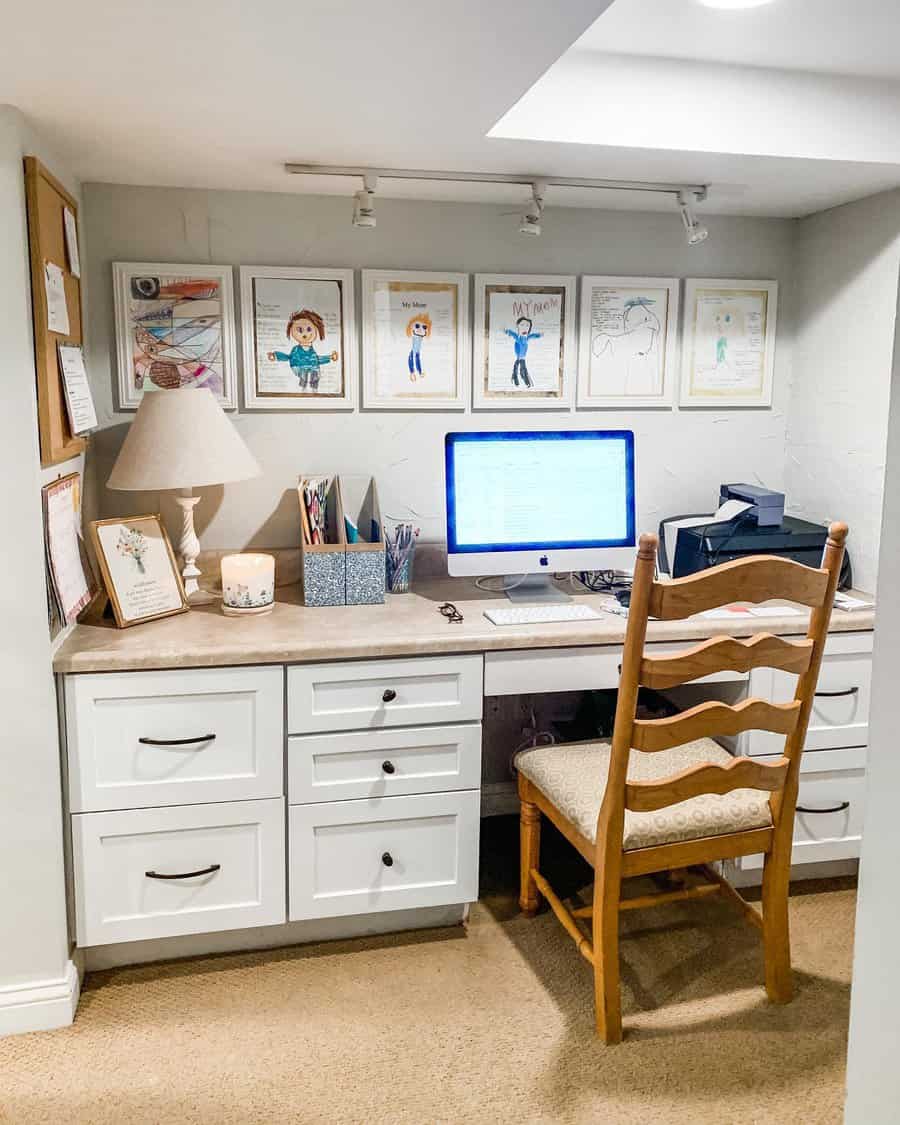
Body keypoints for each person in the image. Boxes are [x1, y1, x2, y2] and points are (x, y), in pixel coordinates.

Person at [268, 309, 338, 390]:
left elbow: (317, 360)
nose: (305, 334)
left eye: (309, 329)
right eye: (300, 330)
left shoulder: (312, 352)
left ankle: (314, 389)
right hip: (298, 367)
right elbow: (288, 357)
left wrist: (330, 357)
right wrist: (275, 355)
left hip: (312, 368)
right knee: (304, 372)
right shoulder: (296, 350)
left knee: (315, 373)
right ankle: (303, 387)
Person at [505, 316, 542, 387]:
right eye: (522, 325)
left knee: (522, 369)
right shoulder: (518, 338)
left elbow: (533, 335)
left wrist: (539, 335)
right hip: (519, 357)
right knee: (518, 368)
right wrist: (507, 331)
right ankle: (517, 379)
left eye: (527, 326)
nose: (525, 328)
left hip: (522, 358)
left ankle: (525, 381)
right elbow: (512, 334)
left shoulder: (527, 338)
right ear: (517, 326)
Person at [406, 312, 432, 381]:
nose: (420, 329)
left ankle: (419, 372)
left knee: (417, 359)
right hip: (414, 351)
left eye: (424, 327)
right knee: (412, 358)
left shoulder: (421, 336)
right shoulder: (414, 335)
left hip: (417, 351)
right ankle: (412, 372)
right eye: (417, 326)